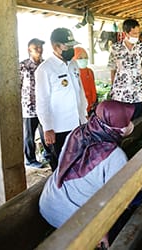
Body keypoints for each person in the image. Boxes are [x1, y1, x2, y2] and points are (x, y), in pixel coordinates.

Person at [39, 100, 142, 247]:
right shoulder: (114, 156)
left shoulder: (78, 132)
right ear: (117, 129)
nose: (130, 123)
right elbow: (124, 197)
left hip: (48, 201)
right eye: (126, 121)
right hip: (69, 218)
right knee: (123, 218)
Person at [35, 27, 88, 171]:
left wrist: (84, 113)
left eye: (72, 46)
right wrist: (47, 127)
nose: (71, 49)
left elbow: (80, 91)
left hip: (77, 123)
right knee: (62, 164)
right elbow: (42, 101)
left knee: (79, 159)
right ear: (55, 46)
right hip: (59, 128)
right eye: (67, 46)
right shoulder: (45, 69)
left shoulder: (73, 64)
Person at [107, 19, 142, 120]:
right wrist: (113, 87)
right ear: (125, 33)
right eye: (134, 33)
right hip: (120, 93)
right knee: (120, 122)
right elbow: (112, 69)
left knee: (136, 122)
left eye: (138, 33)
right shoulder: (115, 48)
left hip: (137, 93)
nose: (137, 36)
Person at [20, 38, 51, 168]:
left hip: (43, 105)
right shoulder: (23, 66)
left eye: (41, 47)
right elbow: (18, 85)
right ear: (29, 50)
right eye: (36, 48)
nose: (40, 49)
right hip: (29, 107)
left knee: (46, 132)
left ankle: (48, 155)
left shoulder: (45, 65)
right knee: (29, 136)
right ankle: (30, 160)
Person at [73, 47, 98, 116]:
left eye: (85, 57)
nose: (83, 60)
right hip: (79, 107)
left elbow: (93, 87)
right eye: (80, 58)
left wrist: (94, 101)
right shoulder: (72, 73)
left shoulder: (89, 71)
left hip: (90, 106)